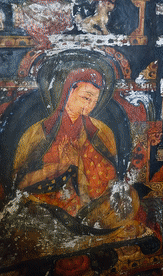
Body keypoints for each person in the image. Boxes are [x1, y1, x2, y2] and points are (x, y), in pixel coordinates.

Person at [12, 68, 138, 230]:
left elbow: (110, 181)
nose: (90, 105)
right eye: (86, 98)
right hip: (48, 204)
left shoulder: (102, 132)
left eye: (95, 101)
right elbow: (19, 183)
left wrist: (80, 167)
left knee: (129, 197)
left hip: (91, 206)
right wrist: (60, 167)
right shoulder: (37, 133)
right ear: (68, 91)